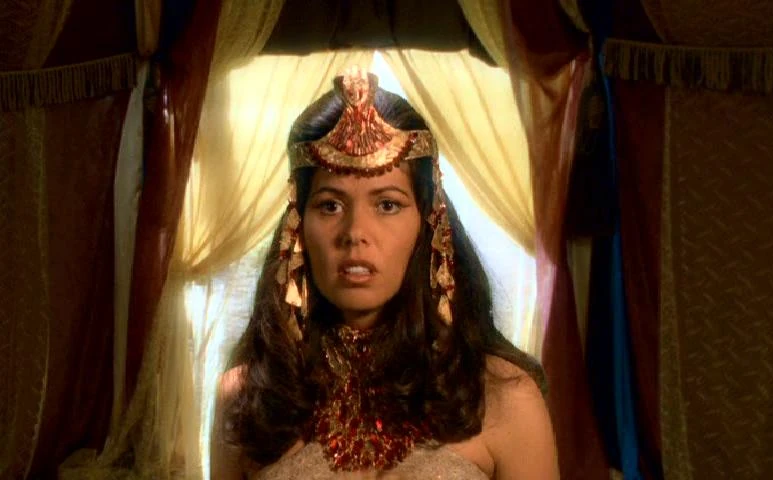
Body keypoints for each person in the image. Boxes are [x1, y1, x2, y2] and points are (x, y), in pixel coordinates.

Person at [211, 67, 559, 479]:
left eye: (387, 205)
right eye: (330, 205)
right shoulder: (249, 397)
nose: (355, 232)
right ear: (297, 224)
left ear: (429, 223)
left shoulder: (504, 396)